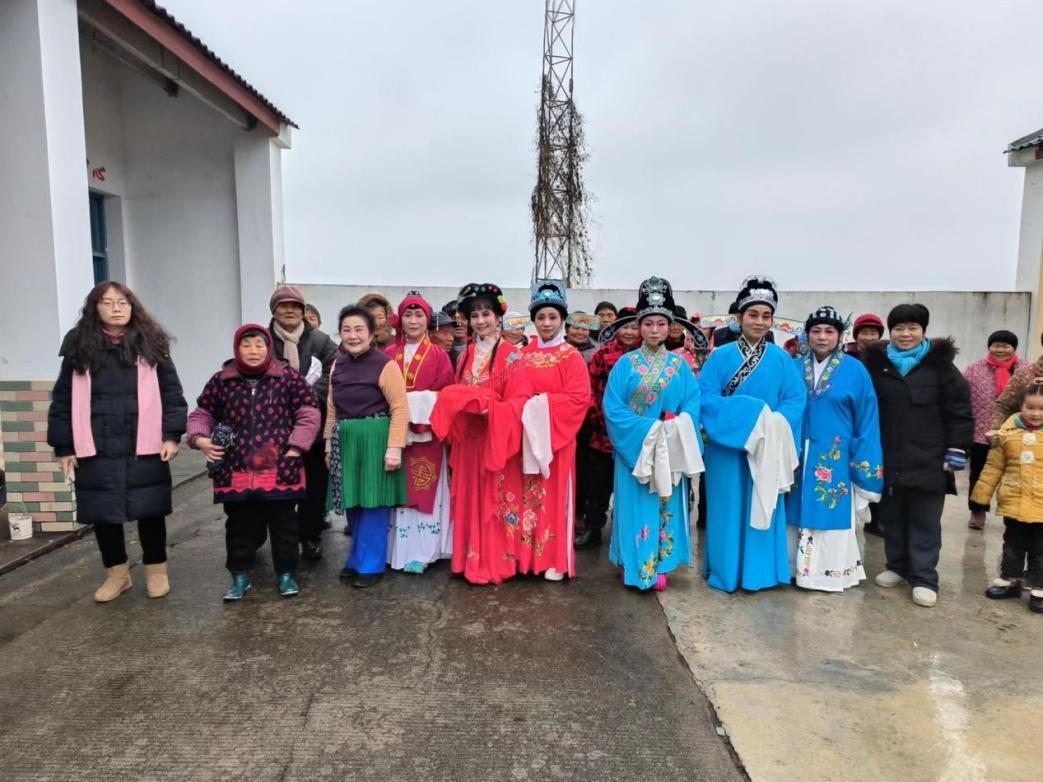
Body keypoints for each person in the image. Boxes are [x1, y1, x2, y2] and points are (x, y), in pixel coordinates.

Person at [48, 282, 187, 603]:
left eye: (123, 302)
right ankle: (117, 574)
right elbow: (63, 399)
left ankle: (156, 570)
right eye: (108, 302)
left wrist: (171, 435)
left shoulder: (151, 343)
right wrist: (64, 446)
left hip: (144, 441)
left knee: (150, 510)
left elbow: (172, 393)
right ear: (94, 307)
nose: (116, 308)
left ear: (132, 307)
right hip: (96, 443)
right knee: (103, 513)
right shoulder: (79, 346)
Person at [187, 325, 320, 601]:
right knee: (239, 526)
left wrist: (296, 447)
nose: (253, 351)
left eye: (259, 345)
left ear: (269, 348)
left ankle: (286, 574)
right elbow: (203, 412)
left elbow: (308, 411)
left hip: (280, 465)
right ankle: (240, 576)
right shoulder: (222, 380)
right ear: (237, 348)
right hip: (236, 468)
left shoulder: (288, 377)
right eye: (246, 345)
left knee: (284, 526)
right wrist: (199, 438)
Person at [700, 276, 805, 593]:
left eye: (765, 316)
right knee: (726, 508)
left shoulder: (782, 359)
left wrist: (770, 425)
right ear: (739, 317)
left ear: (772, 320)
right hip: (727, 449)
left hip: (767, 448)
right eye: (753, 314)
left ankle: (760, 573)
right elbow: (705, 399)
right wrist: (751, 417)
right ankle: (726, 571)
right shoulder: (719, 356)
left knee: (765, 503)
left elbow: (795, 401)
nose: (759, 321)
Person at [864, 303, 973, 608]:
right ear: (890, 331)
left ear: (923, 331)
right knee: (892, 516)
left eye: (913, 328)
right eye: (899, 328)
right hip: (889, 456)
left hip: (930, 458)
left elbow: (960, 410)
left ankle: (924, 578)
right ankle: (897, 566)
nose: (905, 334)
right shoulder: (877, 366)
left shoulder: (941, 367)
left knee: (925, 520)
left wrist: (957, 448)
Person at [483, 280, 591, 581]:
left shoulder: (571, 357)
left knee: (552, 498)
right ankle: (524, 558)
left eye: (552, 317)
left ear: (562, 320)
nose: (546, 323)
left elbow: (579, 399)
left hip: (556, 441)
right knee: (523, 497)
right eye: (541, 317)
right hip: (523, 440)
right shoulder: (521, 355)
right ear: (533, 320)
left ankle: (553, 560)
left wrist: (536, 405)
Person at [603, 278, 703, 591]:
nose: (655, 330)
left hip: (669, 447)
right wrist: (650, 430)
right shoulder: (625, 364)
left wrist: (674, 428)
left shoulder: (680, 365)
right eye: (648, 323)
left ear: (671, 327)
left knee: (665, 504)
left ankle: (661, 565)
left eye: (661, 324)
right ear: (639, 326)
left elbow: (692, 405)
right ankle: (633, 562)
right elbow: (613, 409)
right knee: (634, 504)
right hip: (635, 449)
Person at [786, 307, 883, 592]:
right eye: (816, 331)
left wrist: (862, 462)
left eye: (829, 331)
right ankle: (792, 569)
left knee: (829, 508)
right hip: (796, 456)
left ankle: (827, 573)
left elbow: (867, 420)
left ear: (840, 336)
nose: (822, 337)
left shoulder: (856, 371)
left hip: (835, 458)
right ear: (807, 335)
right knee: (792, 510)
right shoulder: (793, 367)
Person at [430, 283, 521, 584]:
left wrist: (491, 410)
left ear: (498, 316)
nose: (481, 321)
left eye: (486, 314)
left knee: (494, 501)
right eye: (475, 316)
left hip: (495, 440)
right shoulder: (465, 354)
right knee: (469, 498)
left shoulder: (513, 356)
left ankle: (494, 562)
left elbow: (519, 404)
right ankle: (467, 559)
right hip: (469, 442)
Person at [325, 305, 409, 588]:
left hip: (376, 439)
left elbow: (400, 409)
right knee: (354, 502)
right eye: (346, 330)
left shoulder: (386, 365)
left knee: (374, 503)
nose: (353, 335)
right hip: (346, 440)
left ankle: (371, 565)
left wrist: (394, 448)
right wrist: (328, 446)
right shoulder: (337, 365)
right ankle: (355, 560)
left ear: (372, 333)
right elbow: (332, 408)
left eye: (359, 329)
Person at [384, 292, 455, 573]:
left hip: (428, 436)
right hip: (394, 435)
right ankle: (395, 550)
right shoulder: (388, 354)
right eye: (408, 315)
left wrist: (417, 405)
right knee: (397, 490)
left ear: (428, 320)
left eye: (419, 315)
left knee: (424, 487)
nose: (413, 321)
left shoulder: (439, 355)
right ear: (400, 319)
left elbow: (446, 394)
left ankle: (424, 551)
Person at [267, 284, 338, 561]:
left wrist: (306, 394)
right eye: (283, 306)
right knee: (279, 488)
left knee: (314, 488)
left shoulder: (320, 341)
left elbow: (335, 370)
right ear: (274, 311)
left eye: (295, 306)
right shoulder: (264, 341)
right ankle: (283, 541)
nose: (290, 310)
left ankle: (310, 537)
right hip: (274, 428)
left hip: (315, 427)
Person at [970, 383, 1043, 614]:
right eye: (1030, 407)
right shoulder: (1007, 434)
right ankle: (1010, 580)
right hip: (1013, 502)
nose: (1035, 413)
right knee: (1013, 544)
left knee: (1040, 549)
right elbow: (993, 467)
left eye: (1042, 408)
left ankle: (1039, 587)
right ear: (1020, 406)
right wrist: (981, 496)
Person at [576, 307, 639, 548]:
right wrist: (599, 417)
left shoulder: (646, 356)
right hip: (603, 435)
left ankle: (628, 534)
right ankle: (593, 530)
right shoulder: (602, 354)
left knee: (632, 487)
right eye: (624, 327)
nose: (629, 332)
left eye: (634, 327)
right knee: (598, 487)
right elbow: (589, 390)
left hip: (636, 437)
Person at [963, 330, 1023, 530]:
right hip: (982, 433)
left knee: (1015, 476)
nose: (1000, 350)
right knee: (980, 476)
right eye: (996, 345)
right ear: (989, 347)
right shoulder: (974, 370)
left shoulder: (1025, 369)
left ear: (1014, 348)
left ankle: (1015, 514)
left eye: (1006, 346)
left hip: (1017, 433)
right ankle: (977, 510)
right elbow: (961, 396)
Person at [443, 299, 469, 369]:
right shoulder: (437, 351)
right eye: (454, 318)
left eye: (464, 318)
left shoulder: (480, 349)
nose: (459, 323)